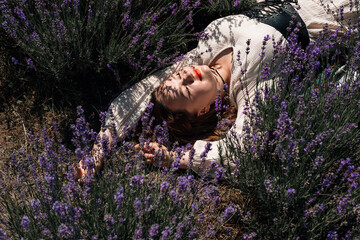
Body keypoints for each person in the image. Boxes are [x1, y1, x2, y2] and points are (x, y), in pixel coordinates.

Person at [77, 0, 357, 180]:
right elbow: (241, 151)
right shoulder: (249, 84)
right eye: (187, 88)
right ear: (203, 108)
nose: (185, 74)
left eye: (176, 76)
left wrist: (98, 150)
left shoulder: (200, 57)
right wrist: (176, 158)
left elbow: (137, 95)